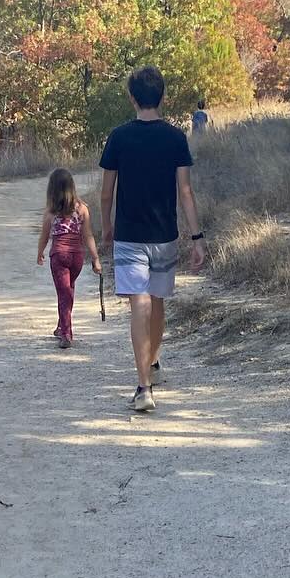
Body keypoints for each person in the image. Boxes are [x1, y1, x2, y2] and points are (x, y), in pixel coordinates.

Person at [99, 66, 205, 413]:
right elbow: (185, 192)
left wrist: (107, 226)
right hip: (164, 235)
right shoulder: (175, 138)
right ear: (163, 95)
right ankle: (154, 364)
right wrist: (197, 237)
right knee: (157, 300)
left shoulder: (118, 137)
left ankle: (144, 386)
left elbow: (106, 192)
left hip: (130, 234)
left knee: (139, 304)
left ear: (132, 97)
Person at [36, 168, 101, 349]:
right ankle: (61, 326)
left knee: (63, 293)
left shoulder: (50, 213)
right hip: (77, 258)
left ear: (52, 190)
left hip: (59, 257)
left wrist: (40, 252)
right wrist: (95, 258)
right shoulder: (82, 209)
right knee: (68, 291)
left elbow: (44, 236)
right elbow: (88, 236)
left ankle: (66, 332)